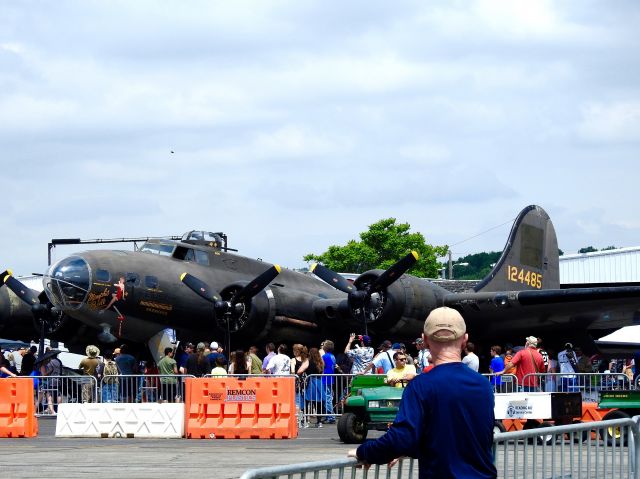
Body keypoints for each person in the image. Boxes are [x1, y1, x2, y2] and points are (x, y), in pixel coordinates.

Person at [348, 306, 496, 478]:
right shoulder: (483, 385)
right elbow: (464, 438)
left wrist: (364, 452)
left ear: (424, 340)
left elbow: (401, 437)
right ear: (465, 339)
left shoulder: (421, 386)